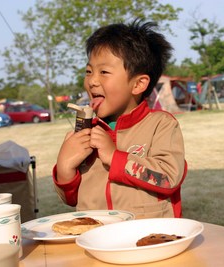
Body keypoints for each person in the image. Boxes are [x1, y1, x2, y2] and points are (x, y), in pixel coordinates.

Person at [53, 20, 187, 219]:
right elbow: (71, 199)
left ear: (138, 84)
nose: (92, 81)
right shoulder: (85, 132)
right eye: (88, 71)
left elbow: (168, 178)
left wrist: (114, 156)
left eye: (104, 72)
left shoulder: (160, 125)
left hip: (148, 238)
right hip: (96, 238)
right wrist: (64, 168)